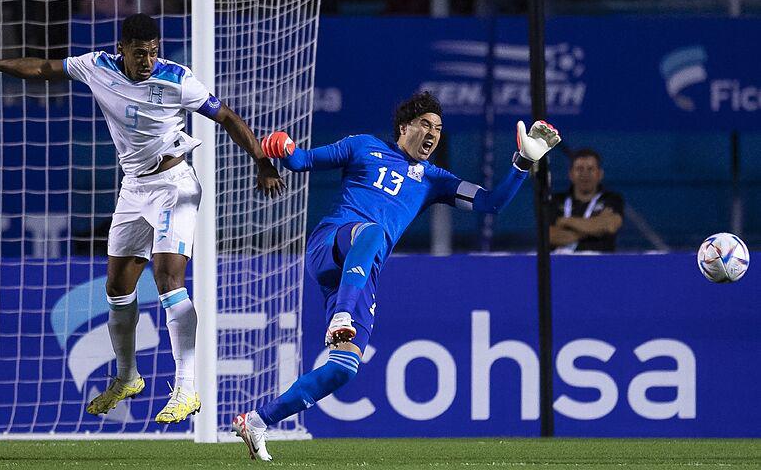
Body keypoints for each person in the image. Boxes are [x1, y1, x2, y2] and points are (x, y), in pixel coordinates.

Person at [0, 13, 284, 424]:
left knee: (168, 279)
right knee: (117, 288)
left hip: (174, 184)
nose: (147, 60)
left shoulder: (177, 79)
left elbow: (228, 117)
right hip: (134, 188)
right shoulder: (98, 67)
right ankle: (127, 376)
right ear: (122, 49)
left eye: (153, 52)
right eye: (139, 52)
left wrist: (262, 161)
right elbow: (43, 68)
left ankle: (187, 387)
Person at [230, 92, 561, 461]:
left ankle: (258, 420)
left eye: (438, 128)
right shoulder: (363, 147)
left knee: (344, 368)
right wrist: (281, 145)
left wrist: (523, 162)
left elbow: (490, 203)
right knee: (373, 231)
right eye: (426, 124)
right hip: (332, 244)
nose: (433, 133)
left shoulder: (435, 180)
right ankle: (341, 315)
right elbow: (301, 160)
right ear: (405, 127)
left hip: (361, 274)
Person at [549, 148, 623, 253]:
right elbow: (549, 236)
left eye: (590, 169)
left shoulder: (612, 199)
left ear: (600, 174)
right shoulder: (555, 200)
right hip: (560, 264)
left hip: (599, 264)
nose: (585, 174)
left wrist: (566, 221)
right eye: (579, 169)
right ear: (570, 174)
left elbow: (610, 225)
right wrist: (596, 226)